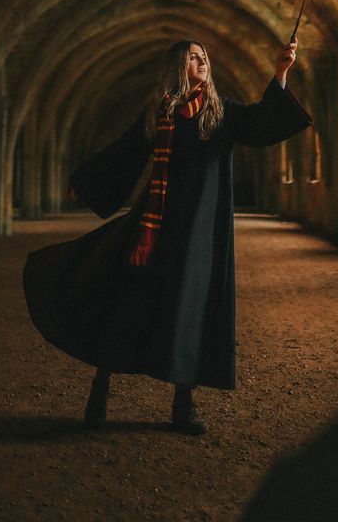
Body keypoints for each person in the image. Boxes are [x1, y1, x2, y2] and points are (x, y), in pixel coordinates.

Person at [23, 37, 312, 435]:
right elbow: (125, 152)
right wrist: (86, 181)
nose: (202, 62)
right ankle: (100, 388)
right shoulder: (160, 114)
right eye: (194, 58)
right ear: (179, 67)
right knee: (124, 301)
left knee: (187, 311)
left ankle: (183, 403)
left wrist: (280, 72)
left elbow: (263, 122)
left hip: (197, 233)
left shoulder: (221, 113)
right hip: (153, 227)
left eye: (204, 57)